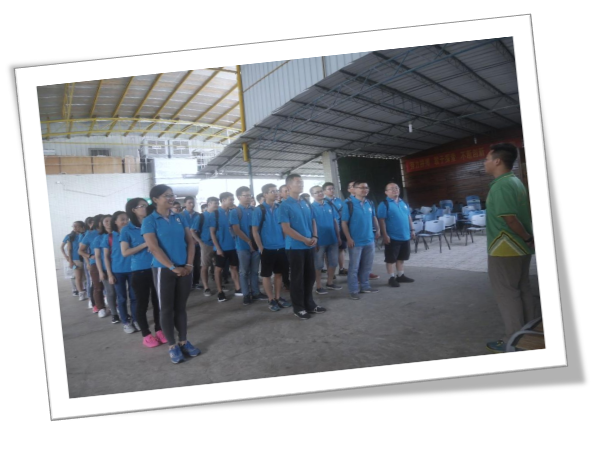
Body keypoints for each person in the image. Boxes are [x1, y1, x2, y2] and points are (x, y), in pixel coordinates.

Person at [483, 143, 538, 353]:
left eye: (487, 159)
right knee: (522, 289)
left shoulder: (501, 185)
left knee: (507, 294)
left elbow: (510, 219)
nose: (485, 163)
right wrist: (527, 240)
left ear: (497, 161)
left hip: (505, 249)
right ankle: (528, 333)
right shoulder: (515, 182)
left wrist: (527, 237)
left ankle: (513, 340)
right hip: (519, 249)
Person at [142, 184, 201, 364]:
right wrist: (172, 267)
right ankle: (172, 346)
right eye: (166, 195)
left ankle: (183, 341)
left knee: (181, 307)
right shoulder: (149, 221)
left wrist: (189, 264)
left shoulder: (179, 217)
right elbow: (154, 247)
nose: (171, 198)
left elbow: (190, 242)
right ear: (155, 199)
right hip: (163, 270)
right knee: (166, 309)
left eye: (172, 195)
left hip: (185, 267)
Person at [278, 173, 326, 320]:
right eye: (298, 182)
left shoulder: (305, 202)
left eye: (302, 182)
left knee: (310, 276)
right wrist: (304, 239)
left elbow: (313, 221)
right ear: (289, 186)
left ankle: (309, 304)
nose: (301, 184)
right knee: (297, 278)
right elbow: (286, 228)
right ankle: (298, 308)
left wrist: (315, 237)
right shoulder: (284, 206)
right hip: (295, 247)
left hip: (309, 246)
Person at [122, 199, 166, 347]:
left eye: (146, 205)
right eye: (142, 206)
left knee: (158, 301)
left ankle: (159, 330)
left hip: (157, 266)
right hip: (140, 270)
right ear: (133, 210)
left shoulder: (152, 223)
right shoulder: (127, 230)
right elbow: (125, 252)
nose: (145, 208)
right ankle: (146, 334)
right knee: (142, 303)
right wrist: (146, 244)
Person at [252, 184, 292, 312]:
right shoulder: (259, 210)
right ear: (265, 194)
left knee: (279, 274)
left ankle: (278, 297)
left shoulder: (280, 208)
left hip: (281, 246)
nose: (276, 193)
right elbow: (255, 231)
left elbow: (285, 227)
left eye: (276, 191)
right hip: (267, 248)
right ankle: (271, 299)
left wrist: (286, 243)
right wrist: (261, 247)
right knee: (266, 275)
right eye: (272, 191)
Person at [342, 180, 380, 300]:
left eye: (366, 188)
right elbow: (344, 223)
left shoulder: (369, 202)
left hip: (369, 240)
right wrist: (348, 238)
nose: (365, 190)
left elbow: (374, 217)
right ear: (354, 189)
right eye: (361, 188)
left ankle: (365, 286)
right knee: (354, 267)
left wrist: (378, 229)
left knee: (367, 265)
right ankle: (353, 290)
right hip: (356, 241)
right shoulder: (348, 204)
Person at [230, 186, 265, 306]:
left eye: (250, 195)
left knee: (255, 271)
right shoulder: (235, 212)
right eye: (246, 195)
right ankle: (246, 294)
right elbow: (236, 230)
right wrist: (249, 241)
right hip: (242, 247)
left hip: (256, 246)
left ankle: (256, 292)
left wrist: (257, 244)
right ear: (239, 197)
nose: (249, 197)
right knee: (244, 272)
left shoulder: (255, 210)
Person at [377, 183, 416, 287]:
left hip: (405, 235)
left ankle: (401, 275)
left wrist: (412, 230)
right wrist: (385, 235)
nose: (395, 190)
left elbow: (409, 217)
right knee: (391, 259)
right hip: (392, 237)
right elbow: (382, 221)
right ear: (386, 192)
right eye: (392, 189)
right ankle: (391, 278)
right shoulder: (384, 204)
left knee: (401, 257)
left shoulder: (404, 203)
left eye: (396, 188)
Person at [105, 211, 138, 333]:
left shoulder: (131, 232)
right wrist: (109, 274)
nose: (125, 222)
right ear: (115, 222)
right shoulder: (109, 237)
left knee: (134, 297)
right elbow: (106, 257)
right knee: (122, 297)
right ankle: (125, 322)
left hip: (133, 269)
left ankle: (136, 320)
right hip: (118, 271)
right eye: (122, 219)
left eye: (127, 219)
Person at [209, 192, 242, 302]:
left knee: (234, 267)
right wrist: (218, 248)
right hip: (221, 247)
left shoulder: (233, 213)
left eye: (233, 199)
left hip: (233, 246)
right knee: (219, 269)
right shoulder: (215, 214)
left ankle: (238, 288)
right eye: (230, 199)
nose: (232, 201)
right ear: (223, 200)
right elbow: (212, 232)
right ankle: (220, 292)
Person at [310, 185, 342, 294]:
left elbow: (335, 221)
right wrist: (314, 239)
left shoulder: (329, 205)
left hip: (332, 239)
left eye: (320, 191)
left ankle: (330, 282)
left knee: (333, 262)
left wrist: (338, 236)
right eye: (316, 192)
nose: (320, 193)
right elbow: (311, 224)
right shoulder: (311, 208)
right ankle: (318, 286)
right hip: (319, 241)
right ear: (312, 195)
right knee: (318, 264)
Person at [192, 197, 218, 297]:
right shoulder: (201, 216)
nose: (217, 205)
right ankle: (206, 287)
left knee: (217, 266)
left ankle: (219, 285)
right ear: (209, 203)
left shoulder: (218, 215)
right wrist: (200, 242)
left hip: (217, 244)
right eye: (215, 203)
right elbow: (192, 230)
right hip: (206, 244)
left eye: (217, 203)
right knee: (205, 266)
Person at [323, 182, 347, 276]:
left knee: (341, 248)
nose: (332, 190)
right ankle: (330, 272)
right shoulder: (323, 202)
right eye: (329, 189)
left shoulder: (339, 200)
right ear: (324, 191)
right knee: (328, 251)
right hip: (330, 229)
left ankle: (342, 268)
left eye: (333, 188)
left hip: (340, 227)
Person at [78, 214, 102, 309]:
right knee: (95, 285)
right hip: (94, 263)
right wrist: (89, 258)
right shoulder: (89, 234)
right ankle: (95, 304)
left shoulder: (108, 233)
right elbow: (80, 250)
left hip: (108, 262)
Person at [87, 214, 108, 315]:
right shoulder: (91, 234)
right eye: (103, 221)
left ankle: (114, 305)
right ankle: (100, 307)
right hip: (95, 263)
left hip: (110, 263)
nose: (107, 223)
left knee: (111, 287)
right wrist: (90, 256)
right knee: (98, 286)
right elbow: (80, 250)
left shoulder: (111, 233)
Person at [182, 196, 202, 289]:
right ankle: (187, 283)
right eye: (189, 202)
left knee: (196, 263)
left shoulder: (198, 215)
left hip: (196, 243)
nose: (191, 204)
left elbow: (200, 229)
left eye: (192, 202)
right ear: (185, 204)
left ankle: (196, 282)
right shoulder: (180, 215)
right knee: (186, 263)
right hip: (185, 244)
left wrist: (196, 240)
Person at [66, 221, 87, 300]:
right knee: (78, 277)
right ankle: (81, 293)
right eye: (73, 226)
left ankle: (88, 291)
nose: (74, 228)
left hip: (86, 259)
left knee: (86, 277)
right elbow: (69, 249)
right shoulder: (70, 237)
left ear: (82, 226)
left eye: (76, 226)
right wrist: (70, 261)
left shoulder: (85, 235)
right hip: (76, 260)